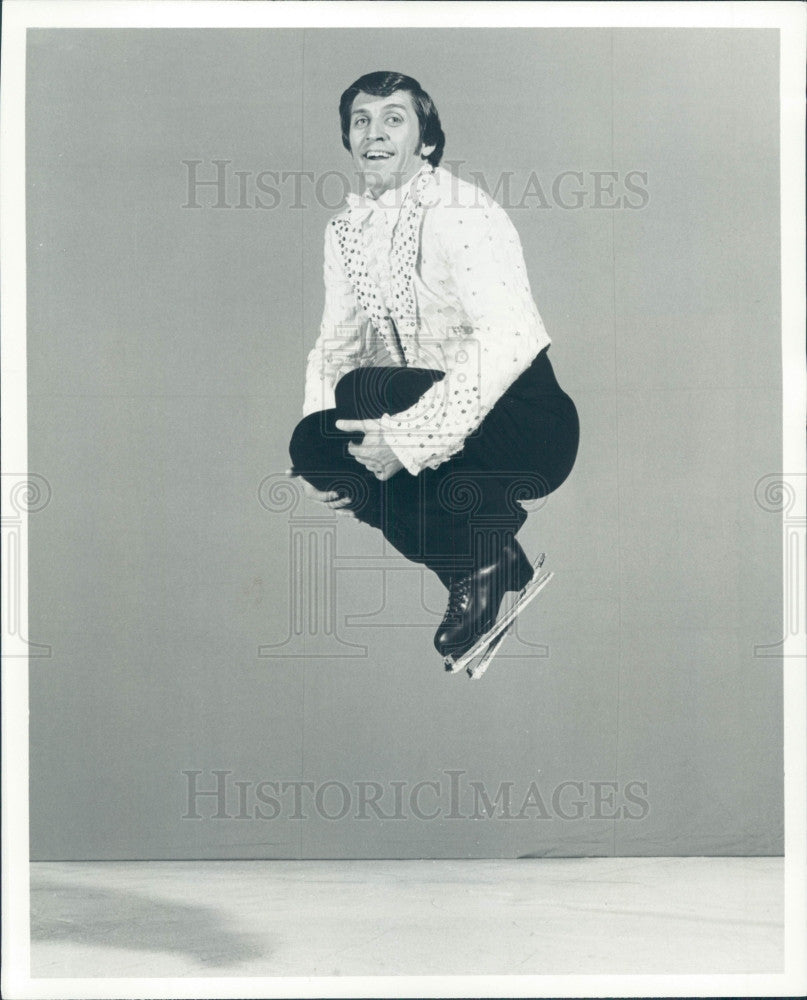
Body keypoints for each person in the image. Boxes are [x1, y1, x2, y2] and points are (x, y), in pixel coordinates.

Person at [288, 71, 579, 664]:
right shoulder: (346, 231)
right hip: (437, 421)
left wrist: (404, 442)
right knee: (314, 440)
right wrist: (333, 455)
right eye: (361, 121)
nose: (374, 132)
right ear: (348, 139)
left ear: (425, 141)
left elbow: (508, 338)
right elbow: (337, 342)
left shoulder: (461, 210)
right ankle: (482, 563)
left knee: (363, 388)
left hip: (526, 426)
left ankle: (482, 552)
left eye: (394, 118)